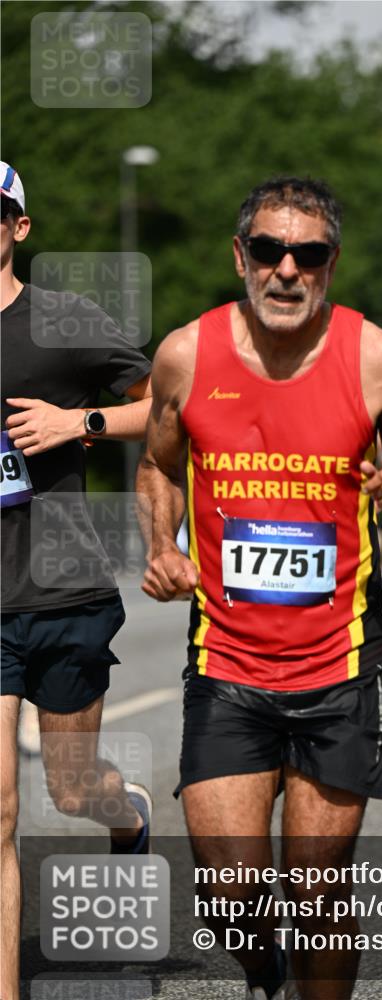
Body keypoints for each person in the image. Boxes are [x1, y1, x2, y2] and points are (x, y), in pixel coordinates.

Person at [137, 176, 382, 1000]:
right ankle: (264, 974)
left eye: (307, 254)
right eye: (269, 250)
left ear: (331, 264)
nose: (287, 269)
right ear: (238, 256)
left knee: (317, 891)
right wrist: (160, 542)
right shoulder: (185, 353)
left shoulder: (375, 356)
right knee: (229, 896)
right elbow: (156, 466)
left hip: (339, 664)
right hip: (228, 664)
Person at [0, 162, 153, 1000]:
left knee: (70, 789)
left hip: (63, 594)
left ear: (20, 227)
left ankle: (124, 812)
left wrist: (78, 423)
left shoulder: (63, 323)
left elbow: (165, 401)